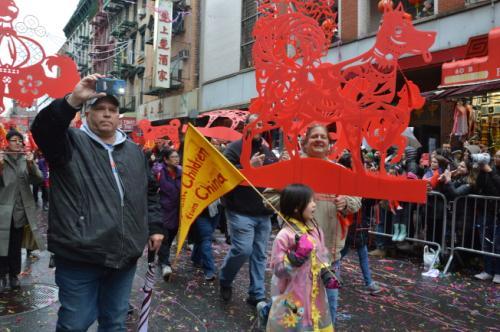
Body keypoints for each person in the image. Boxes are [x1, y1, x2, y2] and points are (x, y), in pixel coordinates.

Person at [30, 74, 164, 331]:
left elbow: (149, 192)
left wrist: (156, 227)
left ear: (118, 116)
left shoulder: (135, 151)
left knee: (114, 322)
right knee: (75, 324)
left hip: (124, 258)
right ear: (88, 114)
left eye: (112, 110)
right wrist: (74, 99)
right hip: (80, 256)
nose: (107, 115)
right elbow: (43, 129)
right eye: (100, 109)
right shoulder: (68, 143)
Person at [301, 124, 361, 324]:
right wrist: (294, 202)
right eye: (314, 136)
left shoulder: (340, 171)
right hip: (298, 254)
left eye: (323, 137)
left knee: (329, 310)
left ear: (329, 145)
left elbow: (356, 200)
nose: (319, 140)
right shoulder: (293, 169)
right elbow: (269, 199)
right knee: (298, 310)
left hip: (330, 255)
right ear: (305, 142)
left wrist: (346, 202)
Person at [219, 114, 278, 306]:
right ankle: (225, 280)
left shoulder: (268, 151)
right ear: (246, 126)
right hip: (240, 211)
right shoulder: (233, 148)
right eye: (254, 123)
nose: (257, 127)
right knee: (243, 250)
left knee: (260, 254)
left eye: (261, 124)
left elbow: (274, 177)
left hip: (263, 212)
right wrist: (248, 167)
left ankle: (256, 294)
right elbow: (224, 176)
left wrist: (283, 165)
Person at [265, 184, 334, 331]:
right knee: (295, 325)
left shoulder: (315, 230)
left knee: (316, 323)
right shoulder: (285, 235)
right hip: (293, 295)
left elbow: (322, 255)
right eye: (311, 201)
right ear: (297, 207)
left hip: (315, 293)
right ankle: (264, 311)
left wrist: (327, 273)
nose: (315, 205)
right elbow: (278, 270)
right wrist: (295, 257)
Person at [0, 129, 45, 292]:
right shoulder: (2, 160)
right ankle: (2, 275)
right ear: (7, 142)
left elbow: (39, 179)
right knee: (1, 245)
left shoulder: (25, 161)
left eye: (20, 141)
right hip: (2, 212)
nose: (18, 143)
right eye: (14, 140)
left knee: (15, 246)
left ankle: (14, 275)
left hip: (20, 212)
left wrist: (31, 164)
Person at [152, 148, 182, 281]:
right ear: (166, 159)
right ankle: (165, 264)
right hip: (162, 210)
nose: (177, 159)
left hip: (176, 212)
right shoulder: (158, 171)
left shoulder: (182, 172)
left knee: (170, 238)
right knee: (164, 237)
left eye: (177, 157)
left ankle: (162, 259)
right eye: (173, 157)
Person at [473, 154, 500, 284]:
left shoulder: (493, 171)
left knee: (498, 243)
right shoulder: (490, 169)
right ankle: (488, 270)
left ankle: (498, 272)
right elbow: (479, 186)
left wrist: (491, 172)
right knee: (486, 242)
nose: (496, 158)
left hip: (497, 212)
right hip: (485, 210)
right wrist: (482, 171)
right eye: (495, 156)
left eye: (499, 157)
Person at [191, 200, 221, 281]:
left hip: (216, 210)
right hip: (200, 211)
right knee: (206, 239)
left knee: (202, 237)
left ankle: (195, 258)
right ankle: (209, 270)